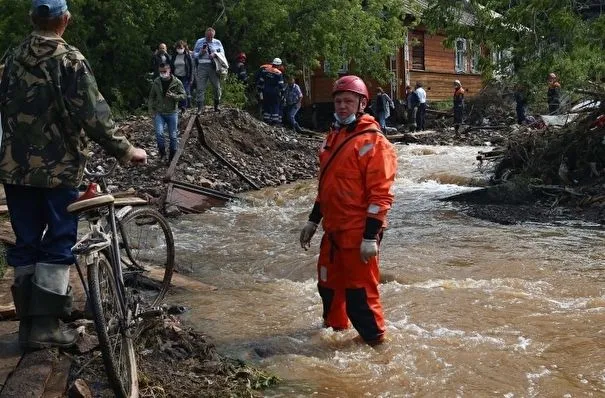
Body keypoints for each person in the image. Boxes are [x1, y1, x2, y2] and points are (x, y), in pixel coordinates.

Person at [0, 0, 147, 350]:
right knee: (59, 239)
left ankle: (28, 326)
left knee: (26, 242)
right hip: (58, 170)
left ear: (32, 19)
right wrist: (126, 151)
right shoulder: (70, 61)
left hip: (14, 169)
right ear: (64, 20)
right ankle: (47, 327)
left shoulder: (10, 59)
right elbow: (93, 113)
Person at [299, 75, 397, 346]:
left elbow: (381, 194)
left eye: (348, 101)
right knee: (328, 287)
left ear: (362, 104)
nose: (342, 106)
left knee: (360, 295)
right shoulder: (334, 136)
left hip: (357, 232)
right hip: (333, 231)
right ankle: (334, 337)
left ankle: (377, 347)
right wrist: (312, 221)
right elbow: (328, 186)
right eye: (339, 101)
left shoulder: (375, 142)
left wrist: (370, 237)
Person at [148, 63, 186, 163]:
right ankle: (162, 154)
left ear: (169, 71)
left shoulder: (176, 82)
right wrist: (151, 110)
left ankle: (172, 157)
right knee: (159, 133)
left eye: (164, 71)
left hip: (172, 112)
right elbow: (151, 96)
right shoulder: (156, 82)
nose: (162, 74)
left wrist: (174, 96)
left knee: (173, 136)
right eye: (160, 72)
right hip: (159, 112)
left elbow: (183, 95)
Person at [192, 27, 225, 113]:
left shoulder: (217, 42)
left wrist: (215, 54)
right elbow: (194, 54)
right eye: (208, 37)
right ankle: (199, 108)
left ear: (213, 35)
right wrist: (200, 53)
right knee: (200, 88)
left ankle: (216, 105)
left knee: (217, 87)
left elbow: (222, 53)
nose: (209, 38)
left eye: (211, 37)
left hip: (213, 67)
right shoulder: (199, 41)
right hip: (202, 66)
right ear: (205, 35)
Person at [255, 58, 285, 125]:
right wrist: (283, 94)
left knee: (267, 105)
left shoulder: (265, 70)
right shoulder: (278, 73)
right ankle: (275, 122)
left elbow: (261, 81)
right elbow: (281, 85)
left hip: (265, 91)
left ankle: (266, 120)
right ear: (279, 65)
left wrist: (259, 90)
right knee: (275, 106)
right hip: (274, 92)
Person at [170, 40, 194, 112]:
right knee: (177, 92)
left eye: (181, 47)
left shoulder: (187, 56)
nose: (179, 49)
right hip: (176, 76)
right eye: (178, 47)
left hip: (185, 76)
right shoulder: (174, 56)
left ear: (184, 48)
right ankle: (181, 106)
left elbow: (191, 67)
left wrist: (191, 78)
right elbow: (171, 66)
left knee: (184, 91)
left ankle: (184, 106)